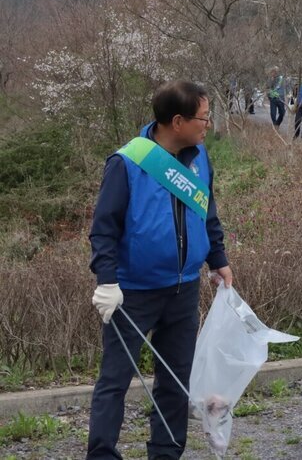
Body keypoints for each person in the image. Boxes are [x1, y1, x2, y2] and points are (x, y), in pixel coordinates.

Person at [87, 81, 233, 460]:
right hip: (133, 292)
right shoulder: (127, 163)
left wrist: (218, 258)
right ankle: (102, 454)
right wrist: (107, 281)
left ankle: (166, 453)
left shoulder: (200, 157)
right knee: (115, 380)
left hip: (182, 289)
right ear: (178, 121)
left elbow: (208, 212)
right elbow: (104, 229)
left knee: (175, 380)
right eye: (204, 117)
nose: (209, 125)